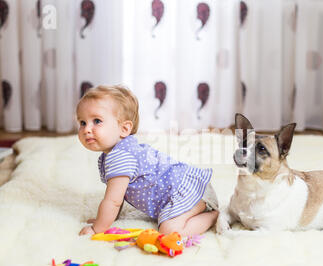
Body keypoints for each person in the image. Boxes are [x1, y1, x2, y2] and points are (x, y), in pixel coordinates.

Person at [77, 85, 219, 237]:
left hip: (186, 193)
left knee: (169, 231)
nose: (87, 129)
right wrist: (104, 219)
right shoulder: (115, 153)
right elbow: (117, 194)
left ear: (124, 129)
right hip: (188, 188)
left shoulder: (121, 156)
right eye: (83, 123)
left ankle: (213, 215)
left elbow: (113, 201)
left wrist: (97, 228)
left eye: (97, 121)